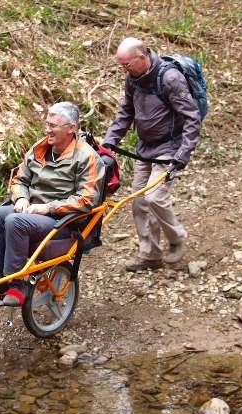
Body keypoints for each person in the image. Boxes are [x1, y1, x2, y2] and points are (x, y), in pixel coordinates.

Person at [0, 101, 105, 306]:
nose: (47, 130)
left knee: (16, 221)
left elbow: (87, 199)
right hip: (31, 211)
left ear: (71, 128)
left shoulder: (87, 157)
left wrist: (48, 207)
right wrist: (21, 197)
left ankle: (17, 283)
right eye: (47, 124)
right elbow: (19, 180)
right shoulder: (39, 148)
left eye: (53, 126)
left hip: (61, 220)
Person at [103, 37, 201, 272]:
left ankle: (177, 238)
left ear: (143, 56)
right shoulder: (133, 79)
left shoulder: (170, 78)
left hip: (169, 149)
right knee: (139, 202)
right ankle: (150, 255)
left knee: (155, 197)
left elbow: (191, 117)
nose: (124, 69)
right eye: (121, 65)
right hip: (144, 149)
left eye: (126, 64)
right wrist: (109, 142)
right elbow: (126, 112)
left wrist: (183, 153)